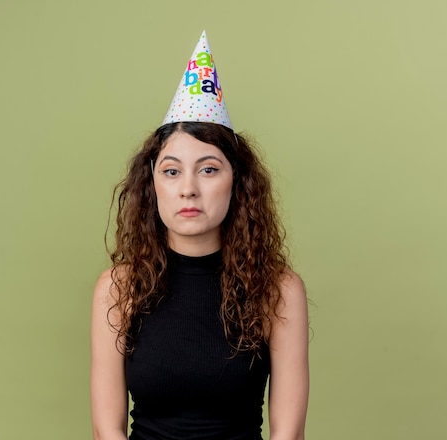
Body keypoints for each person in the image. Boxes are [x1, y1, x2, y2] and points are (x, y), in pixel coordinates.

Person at [91, 31, 309, 440]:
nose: (188, 187)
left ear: (237, 183)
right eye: (171, 171)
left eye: (208, 169)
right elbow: (107, 429)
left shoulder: (277, 290)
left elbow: (289, 432)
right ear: (152, 183)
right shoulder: (118, 289)